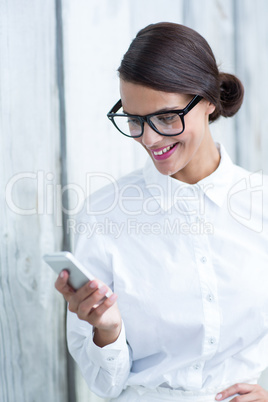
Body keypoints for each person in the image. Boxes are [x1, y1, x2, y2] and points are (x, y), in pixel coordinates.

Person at [55, 22, 268, 402]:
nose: (149, 139)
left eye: (167, 118)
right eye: (135, 120)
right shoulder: (105, 215)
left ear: (208, 102)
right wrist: (107, 329)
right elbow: (105, 384)